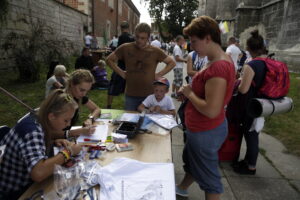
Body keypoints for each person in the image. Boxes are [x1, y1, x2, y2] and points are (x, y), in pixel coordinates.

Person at [176, 16, 235, 200]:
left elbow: (211, 110)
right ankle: (182, 188)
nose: (191, 46)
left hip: (205, 131)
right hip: (202, 128)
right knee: (194, 163)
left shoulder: (218, 67)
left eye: (194, 41)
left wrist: (189, 94)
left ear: (208, 38)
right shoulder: (215, 59)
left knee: (211, 180)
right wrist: (190, 91)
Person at [0, 90, 82, 199]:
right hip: (16, 192)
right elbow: (38, 173)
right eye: (66, 120)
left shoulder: (38, 115)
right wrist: (68, 152)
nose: (69, 124)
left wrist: (51, 142)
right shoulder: (32, 131)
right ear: (52, 116)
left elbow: (29, 147)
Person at [106, 22, 176, 111]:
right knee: (130, 121)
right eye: (137, 37)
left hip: (149, 96)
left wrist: (158, 74)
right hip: (131, 94)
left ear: (148, 37)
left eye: (143, 38)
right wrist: (121, 73)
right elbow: (109, 60)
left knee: (147, 122)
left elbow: (172, 63)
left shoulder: (155, 51)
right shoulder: (126, 48)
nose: (139, 40)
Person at [233, 30, 268, 175]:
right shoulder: (267, 61)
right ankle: (248, 160)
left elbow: (243, 90)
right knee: (253, 132)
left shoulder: (252, 65)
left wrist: (239, 81)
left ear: (249, 48)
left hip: (251, 105)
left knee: (251, 134)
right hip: (263, 102)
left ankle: (251, 166)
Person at [59, 69, 101, 138]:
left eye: (87, 91)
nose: (84, 94)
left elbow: (97, 109)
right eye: (82, 90)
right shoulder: (61, 100)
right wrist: (80, 131)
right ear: (72, 84)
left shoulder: (78, 96)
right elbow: (52, 133)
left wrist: (90, 119)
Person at [106, 21, 135, 109]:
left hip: (121, 65)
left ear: (121, 28)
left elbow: (119, 51)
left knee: (113, 85)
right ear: (128, 28)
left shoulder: (122, 37)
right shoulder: (132, 37)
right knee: (128, 87)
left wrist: (114, 58)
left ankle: (109, 106)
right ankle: (128, 105)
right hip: (130, 65)